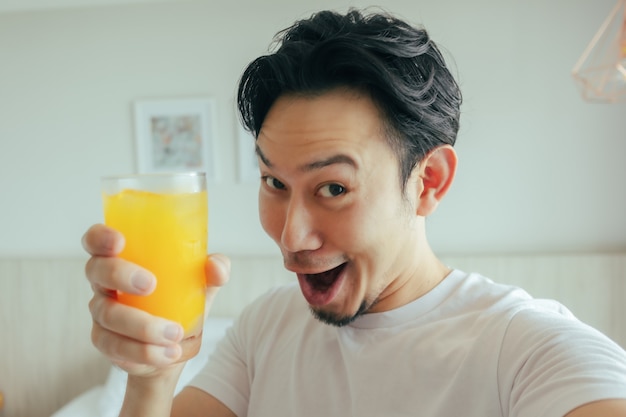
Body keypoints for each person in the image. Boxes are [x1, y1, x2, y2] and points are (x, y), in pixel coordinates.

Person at [82, 8, 626, 417]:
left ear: (429, 181)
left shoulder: (528, 349)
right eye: (274, 182)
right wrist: (153, 378)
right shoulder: (263, 328)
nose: (291, 236)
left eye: (334, 188)